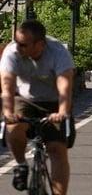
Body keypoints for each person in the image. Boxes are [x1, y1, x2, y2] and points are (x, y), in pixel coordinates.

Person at [0, 20, 76, 194]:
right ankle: (21, 164)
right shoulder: (12, 53)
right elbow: (7, 86)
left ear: (40, 44)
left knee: (57, 150)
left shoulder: (58, 52)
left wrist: (62, 112)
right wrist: (8, 112)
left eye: (24, 45)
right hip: (25, 99)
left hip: (53, 101)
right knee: (13, 128)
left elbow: (64, 86)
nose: (18, 47)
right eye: (17, 42)